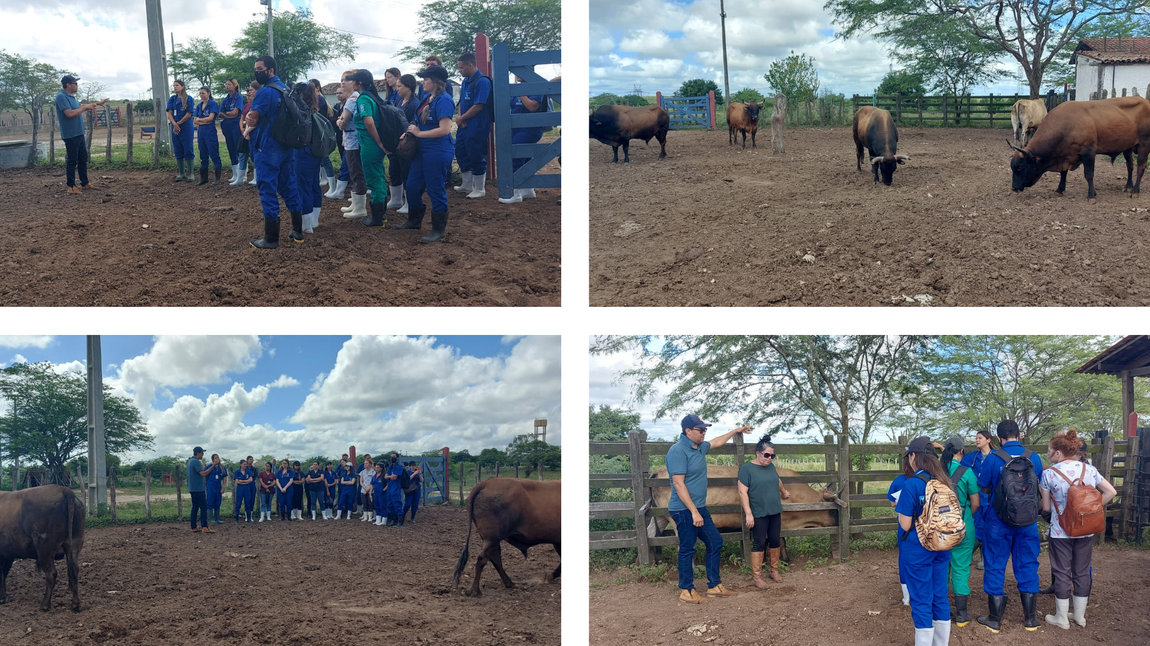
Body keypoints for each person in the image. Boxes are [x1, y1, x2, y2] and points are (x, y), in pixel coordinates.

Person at [666, 414, 752, 603]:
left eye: (705, 429)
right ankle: (686, 589)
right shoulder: (678, 451)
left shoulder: (699, 447)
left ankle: (714, 585)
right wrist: (694, 512)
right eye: (701, 430)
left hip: (699, 508)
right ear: (688, 431)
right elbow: (679, 485)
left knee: (715, 541)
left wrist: (736, 431)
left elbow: (716, 442)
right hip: (683, 510)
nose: (704, 433)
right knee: (688, 548)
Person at [1040, 429, 1117, 630]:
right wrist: (1095, 508)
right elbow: (1111, 491)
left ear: (1058, 452)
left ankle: (1061, 617)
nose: (1048, 454)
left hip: (1060, 532)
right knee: (1082, 572)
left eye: (1049, 450)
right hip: (1086, 530)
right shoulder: (1089, 470)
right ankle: (1080, 617)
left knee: (1062, 572)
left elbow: (1046, 508)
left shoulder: (1049, 473)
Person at [975, 419, 1044, 633]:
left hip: (998, 520)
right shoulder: (1034, 457)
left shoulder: (994, 459)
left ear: (998, 438)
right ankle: (1030, 619)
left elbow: (983, 486)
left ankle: (994, 619)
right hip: (1028, 521)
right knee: (1028, 563)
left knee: (995, 564)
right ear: (1020, 434)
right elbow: (1037, 483)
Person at [896, 437, 954, 646]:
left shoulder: (912, 484)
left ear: (913, 457)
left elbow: (904, 524)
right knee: (940, 596)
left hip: (918, 549)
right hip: (942, 545)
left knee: (921, 599)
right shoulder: (944, 482)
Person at [247, 56, 304, 249]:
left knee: (267, 187)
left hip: (268, 147)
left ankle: (270, 238)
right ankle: (298, 230)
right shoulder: (286, 89)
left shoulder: (265, 93)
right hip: (286, 146)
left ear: (270, 70)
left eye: (259, 68)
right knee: (288, 185)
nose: (257, 72)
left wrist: (250, 118)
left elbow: (252, 118)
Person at [398, 64, 455, 243]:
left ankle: (438, 229)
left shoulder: (444, 100)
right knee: (413, 186)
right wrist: (410, 132)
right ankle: (414, 220)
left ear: (436, 82)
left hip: (437, 150)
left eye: (426, 79)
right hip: (422, 150)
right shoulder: (427, 98)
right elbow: (417, 120)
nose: (423, 82)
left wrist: (419, 134)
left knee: (435, 188)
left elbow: (445, 129)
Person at [737, 433, 790, 589]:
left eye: (772, 456)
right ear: (758, 453)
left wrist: (783, 492)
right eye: (766, 455)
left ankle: (774, 571)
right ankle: (757, 577)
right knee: (759, 543)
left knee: (775, 540)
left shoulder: (771, 467)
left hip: (774, 510)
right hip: (758, 512)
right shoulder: (747, 469)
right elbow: (742, 492)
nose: (769, 458)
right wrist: (748, 513)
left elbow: (777, 480)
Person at [939, 435, 980, 627]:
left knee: (941, 567)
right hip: (963, 525)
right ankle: (962, 614)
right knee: (961, 567)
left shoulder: (936, 471)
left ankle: (941, 609)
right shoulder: (967, 472)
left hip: (940, 527)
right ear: (961, 451)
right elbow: (976, 503)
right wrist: (964, 517)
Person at [345, 69, 392, 228]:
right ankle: (381, 215)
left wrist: (378, 142)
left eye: (353, 81)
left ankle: (377, 218)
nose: (350, 83)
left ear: (359, 83)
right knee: (377, 175)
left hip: (370, 142)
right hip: (371, 142)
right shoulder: (372, 96)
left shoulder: (363, 99)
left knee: (373, 178)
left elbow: (369, 122)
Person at [54, 75, 107, 194]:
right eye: (75, 83)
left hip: (78, 133)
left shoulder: (72, 98)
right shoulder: (61, 97)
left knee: (83, 158)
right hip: (70, 134)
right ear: (68, 85)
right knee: (72, 160)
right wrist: (85, 108)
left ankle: (85, 182)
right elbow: (69, 113)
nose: (77, 85)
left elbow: (79, 108)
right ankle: (71, 186)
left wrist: (96, 104)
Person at [499, 74, 546, 204]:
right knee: (525, 157)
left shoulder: (535, 87)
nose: (517, 76)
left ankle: (515, 192)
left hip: (530, 129)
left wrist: (520, 93)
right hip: (515, 128)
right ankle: (528, 189)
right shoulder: (516, 88)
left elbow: (532, 107)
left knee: (515, 156)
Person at [452, 53, 492, 199]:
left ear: (470, 65)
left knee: (476, 153)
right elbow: (462, 101)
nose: (460, 70)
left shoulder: (482, 82)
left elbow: (479, 105)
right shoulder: (465, 82)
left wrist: (463, 117)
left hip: (478, 125)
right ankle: (467, 184)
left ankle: (480, 188)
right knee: (461, 151)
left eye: (461, 68)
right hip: (464, 125)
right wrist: (460, 116)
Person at [960, 429, 996, 570]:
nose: (977, 440)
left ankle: (984, 559)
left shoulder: (996, 456)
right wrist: (943, 449)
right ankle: (967, 555)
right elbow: (956, 461)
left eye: (980, 438)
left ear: (989, 440)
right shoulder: (971, 457)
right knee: (976, 527)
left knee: (989, 528)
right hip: (975, 498)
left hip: (992, 498)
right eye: (976, 438)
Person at [291, 82, 324, 235]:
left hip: (303, 152)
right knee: (313, 184)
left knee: (302, 186)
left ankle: (306, 225)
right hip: (315, 152)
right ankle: (314, 220)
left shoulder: (300, 111)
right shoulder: (315, 109)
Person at [336, 70, 368, 220]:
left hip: (354, 142)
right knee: (354, 171)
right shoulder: (353, 98)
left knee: (356, 172)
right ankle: (355, 204)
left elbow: (342, 123)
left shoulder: (352, 100)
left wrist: (339, 121)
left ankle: (360, 207)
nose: (343, 82)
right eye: (342, 79)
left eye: (347, 80)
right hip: (351, 140)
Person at [387, 74, 419, 214]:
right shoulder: (399, 100)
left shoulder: (415, 104)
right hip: (396, 141)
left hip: (407, 144)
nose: (397, 89)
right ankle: (395, 199)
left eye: (400, 86)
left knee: (406, 172)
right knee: (394, 170)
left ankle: (408, 202)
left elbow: (414, 124)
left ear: (409, 87)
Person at [888, 452, 915, 606]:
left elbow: (892, 503)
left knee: (904, 557)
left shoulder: (899, 481)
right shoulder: (929, 479)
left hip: (904, 525)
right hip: (925, 525)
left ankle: (907, 597)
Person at [309, 79, 337, 189]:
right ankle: (325, 180)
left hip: (320, 132)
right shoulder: (319, 98)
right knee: (321, 159)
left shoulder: (319, 99)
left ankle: (332, 186)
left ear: (317, 88)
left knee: (325, 159)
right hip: (320, 131)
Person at [192, 86, 223, 186]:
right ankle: (203, 178)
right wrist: (203, 121)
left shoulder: (213, 104)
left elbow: (210, 119)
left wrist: (201, 120)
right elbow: (195, 121)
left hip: (210, 133)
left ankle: (217, 178)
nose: (201, 95)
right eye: (200, 93)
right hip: (201, 133)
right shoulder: (198, 106)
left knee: (214, 154)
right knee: (203, 155)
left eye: (203, 93)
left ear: (209, 93)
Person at [167, 80, 196, 182]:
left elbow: (189, 114)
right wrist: (174, 124)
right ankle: (181, 173)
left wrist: (178, 123)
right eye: (174, 85)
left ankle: (191, 173)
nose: (175, 87)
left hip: (185, 126)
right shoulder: (172, 99)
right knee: (177, 148)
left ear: (182, 86)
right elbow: (169, 113)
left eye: (177, 85)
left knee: (187, 147)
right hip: (175, 127)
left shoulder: (189, 99)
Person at [233, 81, 260, 186]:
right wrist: (243, 130)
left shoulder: (257, 105)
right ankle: (240, 178)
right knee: (242, 154)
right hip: (245, 132)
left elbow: (256, 121)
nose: (249, 95)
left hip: (253, 132)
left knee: (254, 155)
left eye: (251, 91)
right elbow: (243, 118)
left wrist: (247, 131)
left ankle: (256, 177)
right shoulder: (247, 106)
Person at [220, 78, 245, 182]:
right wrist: (228, 115)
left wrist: (226, 114)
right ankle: (235, 174)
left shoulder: (238, 98)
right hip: (227, 127)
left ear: (234, 86)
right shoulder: (225, 99)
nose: (227, 86)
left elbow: (235, 112)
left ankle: (242, 175)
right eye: (226, 84)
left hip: (236, 126)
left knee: (238, 148)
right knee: (230, 149)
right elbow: (220, 112)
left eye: (229, 84)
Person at [326, 88, 350, 199]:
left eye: (341, 92)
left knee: (347, 161)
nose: (338, 95)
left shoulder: (348, 105)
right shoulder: (336, 106)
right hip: (339, 136)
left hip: (348, 135)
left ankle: (342, 187)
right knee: (343, 157)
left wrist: (338, 121)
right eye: (337, 93)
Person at [186, 447, 214, 533]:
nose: (203, 455)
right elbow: (203, 474)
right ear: (198, 453)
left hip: (193, 488)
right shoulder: (196, 462)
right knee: (203, 507)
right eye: (202, 453)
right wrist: (213, 465)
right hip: (198, 489)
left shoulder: (190, 461)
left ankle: (193, 526)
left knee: (195, 508)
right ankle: (204, 527)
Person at [205, 453, 227, 524]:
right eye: (215, 458)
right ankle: (211, 519)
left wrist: (223, 486)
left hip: (218, 485)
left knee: (218, 501)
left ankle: (217, 518)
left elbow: (224, 477)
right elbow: (205, 475)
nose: (217, 459)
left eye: (218, 457)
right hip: (211, 485)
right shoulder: (209, 466)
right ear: (212, 460)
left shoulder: (222, 468)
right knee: (210, 501)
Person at [385, 452, 405, 526]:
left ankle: (400, 521)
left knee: (396, 503)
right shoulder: (390, 466)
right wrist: (390, 476)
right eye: (391, 456)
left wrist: (389, 476)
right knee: (390, 504)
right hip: (390, 487)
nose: (392, 458)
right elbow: (385, 476)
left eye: (394, 456)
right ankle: (394, 520)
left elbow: (394, 477)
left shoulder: (399, 467)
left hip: (396, 487)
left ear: (397, 458)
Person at [233, 458, 256, 523]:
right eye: (244, 464)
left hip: (247, 489)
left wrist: (243, 481)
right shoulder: (237, 472)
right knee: (238, 503)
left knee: (247, 503)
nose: (245, 465)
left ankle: (248, 518)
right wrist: (246, 481)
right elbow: (237, 481)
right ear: (240, 464)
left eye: (246, 464)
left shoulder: (248, 471)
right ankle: (237, 519)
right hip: (240, 489)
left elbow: (251, 480)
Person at [359, 455, 376, 522]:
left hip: (371, 490)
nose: (365, 465)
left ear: (370, 464)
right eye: (364, 463)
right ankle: (365, 517)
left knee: (370, 504)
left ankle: (370, 517)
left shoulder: (373, 472)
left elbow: (373, 482)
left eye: (366, 463)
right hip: (363, 490)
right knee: (364, 503)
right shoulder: (362, 472)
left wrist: (368, 489)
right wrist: (364, 488)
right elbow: (361, 482)